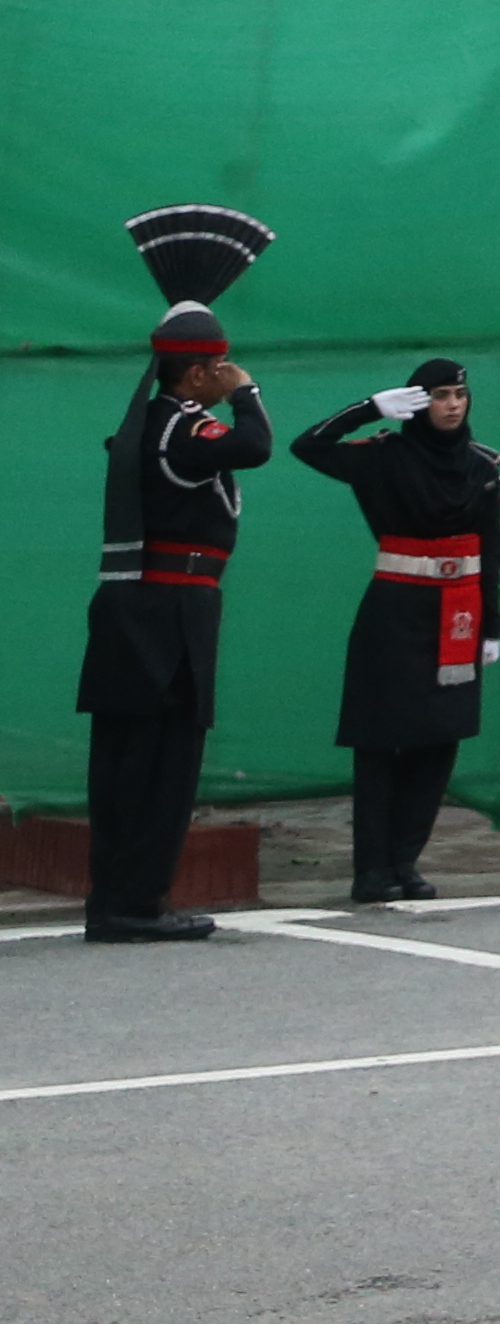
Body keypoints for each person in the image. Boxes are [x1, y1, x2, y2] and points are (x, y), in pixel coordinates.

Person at [80, 206, 280, 942]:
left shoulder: (146, 425)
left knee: (124, 764)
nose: (223, 378)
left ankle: (116, 901)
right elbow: (257, 447)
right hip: (171, 616)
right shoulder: (185, 428)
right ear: (197, 371)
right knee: (161, 767)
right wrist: (248, 391)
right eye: (217, 369)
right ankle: (135, 904)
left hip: (137, 612)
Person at [290, 356, 500, 905]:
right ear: (415, 403)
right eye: (438, 395)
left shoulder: (482, 466)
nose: (453, 404)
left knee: (439, 740)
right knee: (381, 742)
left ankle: (406, 860)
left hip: (458, 610)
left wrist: (492, 624)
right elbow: (307, 446)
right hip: (395, 610)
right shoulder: (383, 458)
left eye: (459, 393)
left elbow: (492, 549)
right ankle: (371, 869)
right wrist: (367, 409)